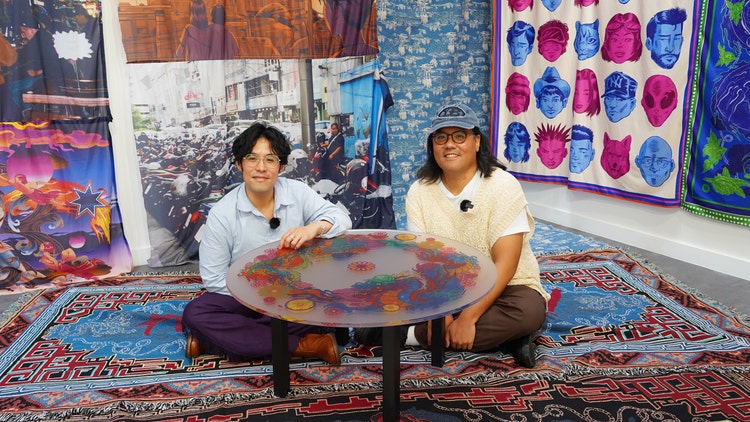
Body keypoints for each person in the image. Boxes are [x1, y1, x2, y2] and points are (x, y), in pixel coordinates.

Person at [182, 122, 353, 364]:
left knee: (336, 298)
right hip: (242, 296)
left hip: (295, 290)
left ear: (281, 167)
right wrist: (262, 295)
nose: (261, 168)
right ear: (240, 163)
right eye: (252, 159)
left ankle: (220, 340)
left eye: (270, 160)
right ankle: (308, 345)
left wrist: (315, 227)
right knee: (197, 313)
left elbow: (342, 219)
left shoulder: (298, 192)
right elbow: (213, 279)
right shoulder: (222, 213)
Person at [404, 103, 550, 368]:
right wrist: (441, 312)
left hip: (507, 287)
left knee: (527, 312)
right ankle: (510, 341)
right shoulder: (419, 191)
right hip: (447, 290)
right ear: (432, 146)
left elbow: (506, 263)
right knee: (395, 295)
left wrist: (468, 318)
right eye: (441, 137)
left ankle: (409, 336)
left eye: (459, 136)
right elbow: (423, 261)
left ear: (476, 141)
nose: (450, 144)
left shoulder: (503, 185)